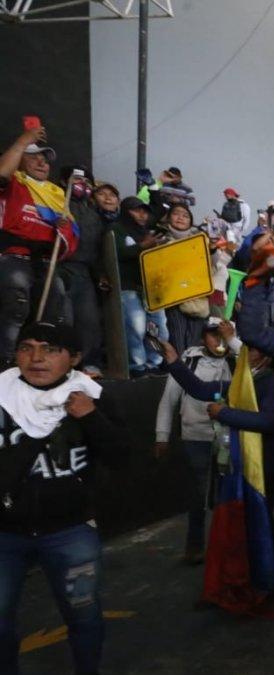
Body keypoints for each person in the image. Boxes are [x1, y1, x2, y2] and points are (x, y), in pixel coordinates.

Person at [0, 321, 129, 674]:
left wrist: (91, 419)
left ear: (73, 358)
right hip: (5, 535)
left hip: (70, 532)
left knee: (84, 616)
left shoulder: (94, 397)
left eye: (50, 349)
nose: (36, 358)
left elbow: (122, 457)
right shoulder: (1, 394)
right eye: (27, 347)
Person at [154, 319, 238, 564]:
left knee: (227, 494)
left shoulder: (238, 361)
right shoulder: (188, 362)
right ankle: (195, 546)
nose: (218, 341)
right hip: (195, 436)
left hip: (227, 437)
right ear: (203, 338)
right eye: (213, 335)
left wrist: (233, 342)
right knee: (197, 495)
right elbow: (169, 399)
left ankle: (227, 546)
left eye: (224, 335)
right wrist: (162, 435)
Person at [0, 127, 78, 364]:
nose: (41, 162)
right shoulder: (14, 182)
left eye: (45, 160)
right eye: (33, 156)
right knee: (16, 309)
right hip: (14, 257)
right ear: (20, 160)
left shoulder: (57, 195)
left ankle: (44, 366)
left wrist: (65, 230)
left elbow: (71, 241)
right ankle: (6, 364)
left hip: (46, 262)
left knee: (54, 315)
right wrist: (23, 140)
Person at [112, 197, 169, 376]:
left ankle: (154, 363)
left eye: (144, 211)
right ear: (125, 211)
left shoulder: (149, 232)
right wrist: (142, 246)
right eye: (136, 210)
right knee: (135, 329)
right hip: (128, 287)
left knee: (158, 329)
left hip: (151, 289)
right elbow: (114, 252)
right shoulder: (116, 229)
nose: (142, 214)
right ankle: (137, 367)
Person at [61, 168, 106, 373]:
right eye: (78, 180)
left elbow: (97, 248)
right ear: (64, 181)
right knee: (64, 318)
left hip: (85, 271)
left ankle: (87, 364)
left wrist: (99, 275)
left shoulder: (92, 212)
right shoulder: (58, 201)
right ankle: (63, 364)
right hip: (62, 267)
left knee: (89, 321)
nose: (84, 185)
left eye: (88, 181)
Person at [161, 204, 209, 355]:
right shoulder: (159, 238)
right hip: (174, 300)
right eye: (176, 214)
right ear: (168, 218)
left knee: (193, 347)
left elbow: (214, 264)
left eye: (185, 215)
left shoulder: (203, 240)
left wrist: (213, 247)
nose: (180, 217)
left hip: (197, 299)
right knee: (178, 344)